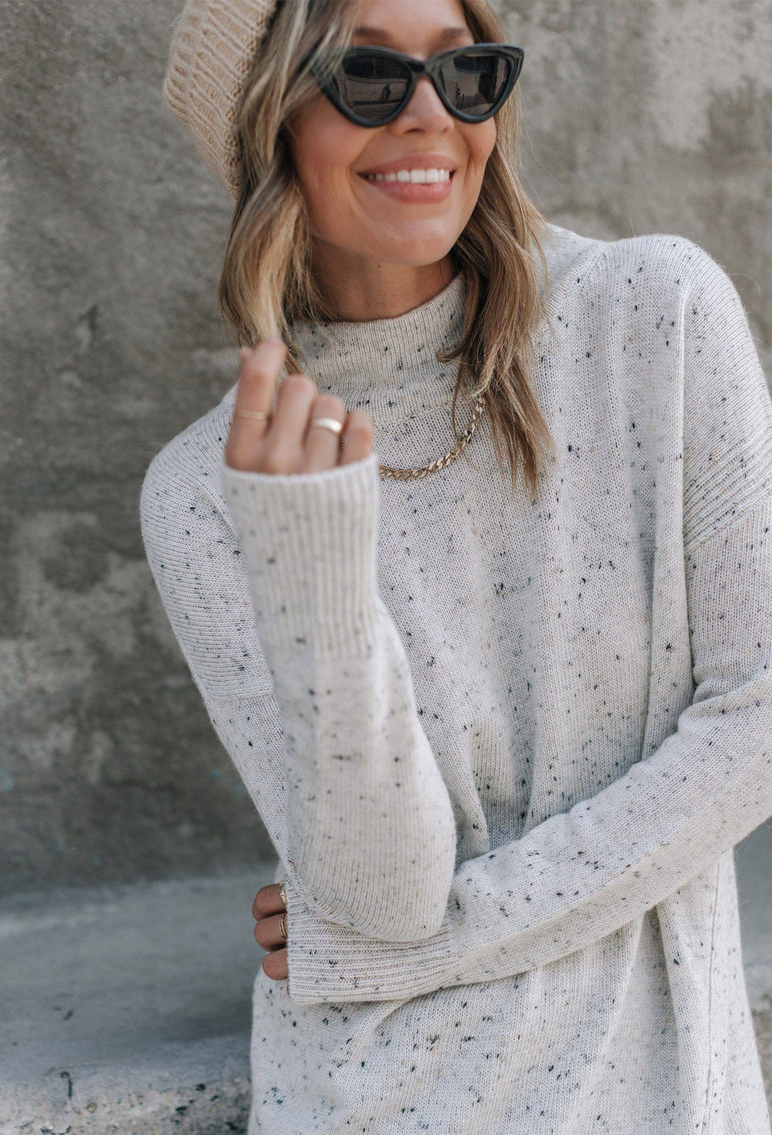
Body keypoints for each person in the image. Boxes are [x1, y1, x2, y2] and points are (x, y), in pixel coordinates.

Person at [140, 0, 772, 1130]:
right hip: (376, 1093)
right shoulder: (203, 493)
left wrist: (399, 943)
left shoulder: (653, 315)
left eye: (465, 72)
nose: (431, 115)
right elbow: (381, 901)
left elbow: (757, 720)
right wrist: (318, 562)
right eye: (367, 79)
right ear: (268, 123)